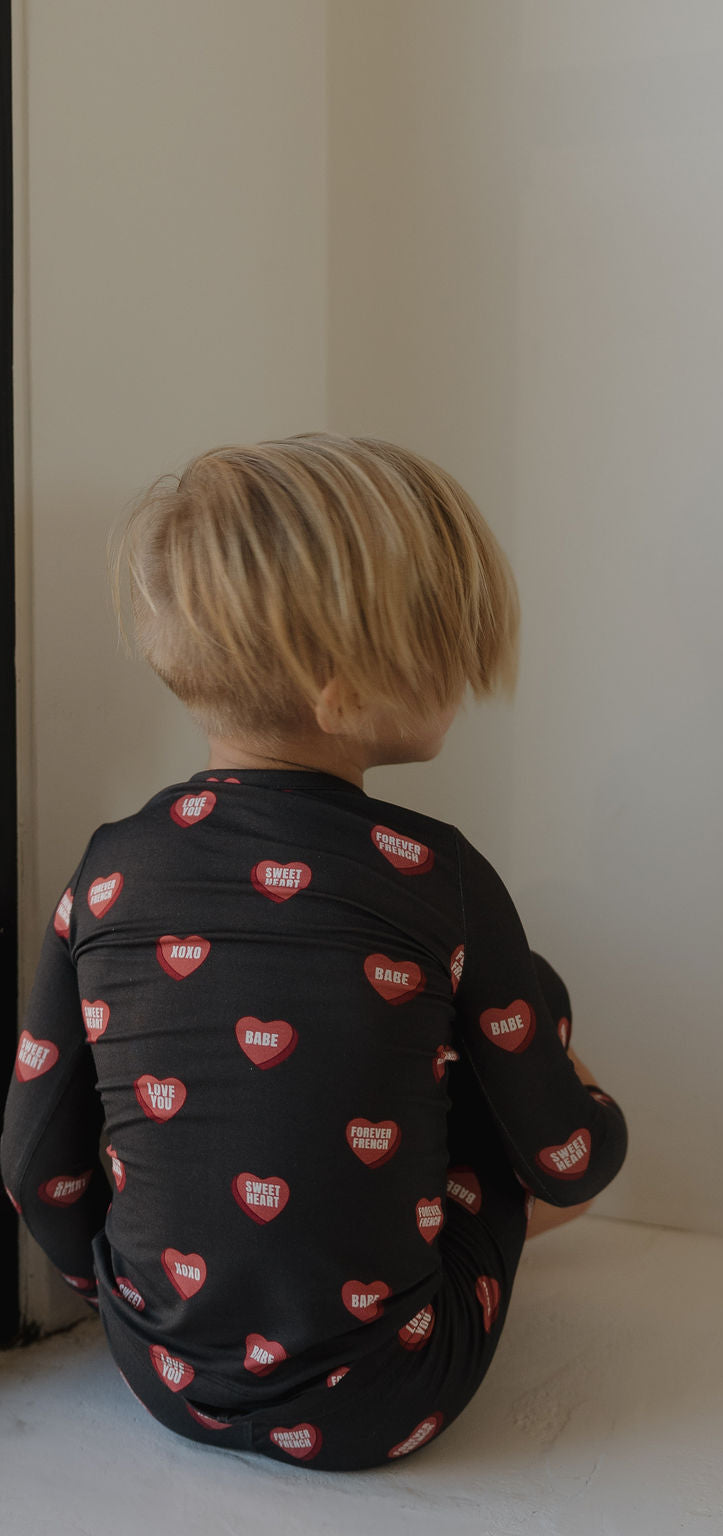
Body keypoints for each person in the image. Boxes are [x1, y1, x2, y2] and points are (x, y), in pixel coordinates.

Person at [0, 432, 628, 1470]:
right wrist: (599, 1135)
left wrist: (115, 1294)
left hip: (159, 1378)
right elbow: (567, 1158)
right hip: (391, 1395)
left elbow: (31, 1161)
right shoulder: (438, 875)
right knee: (525, 998)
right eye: (441, 649)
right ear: (334, 688)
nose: (464, 680)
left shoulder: (108, 872)